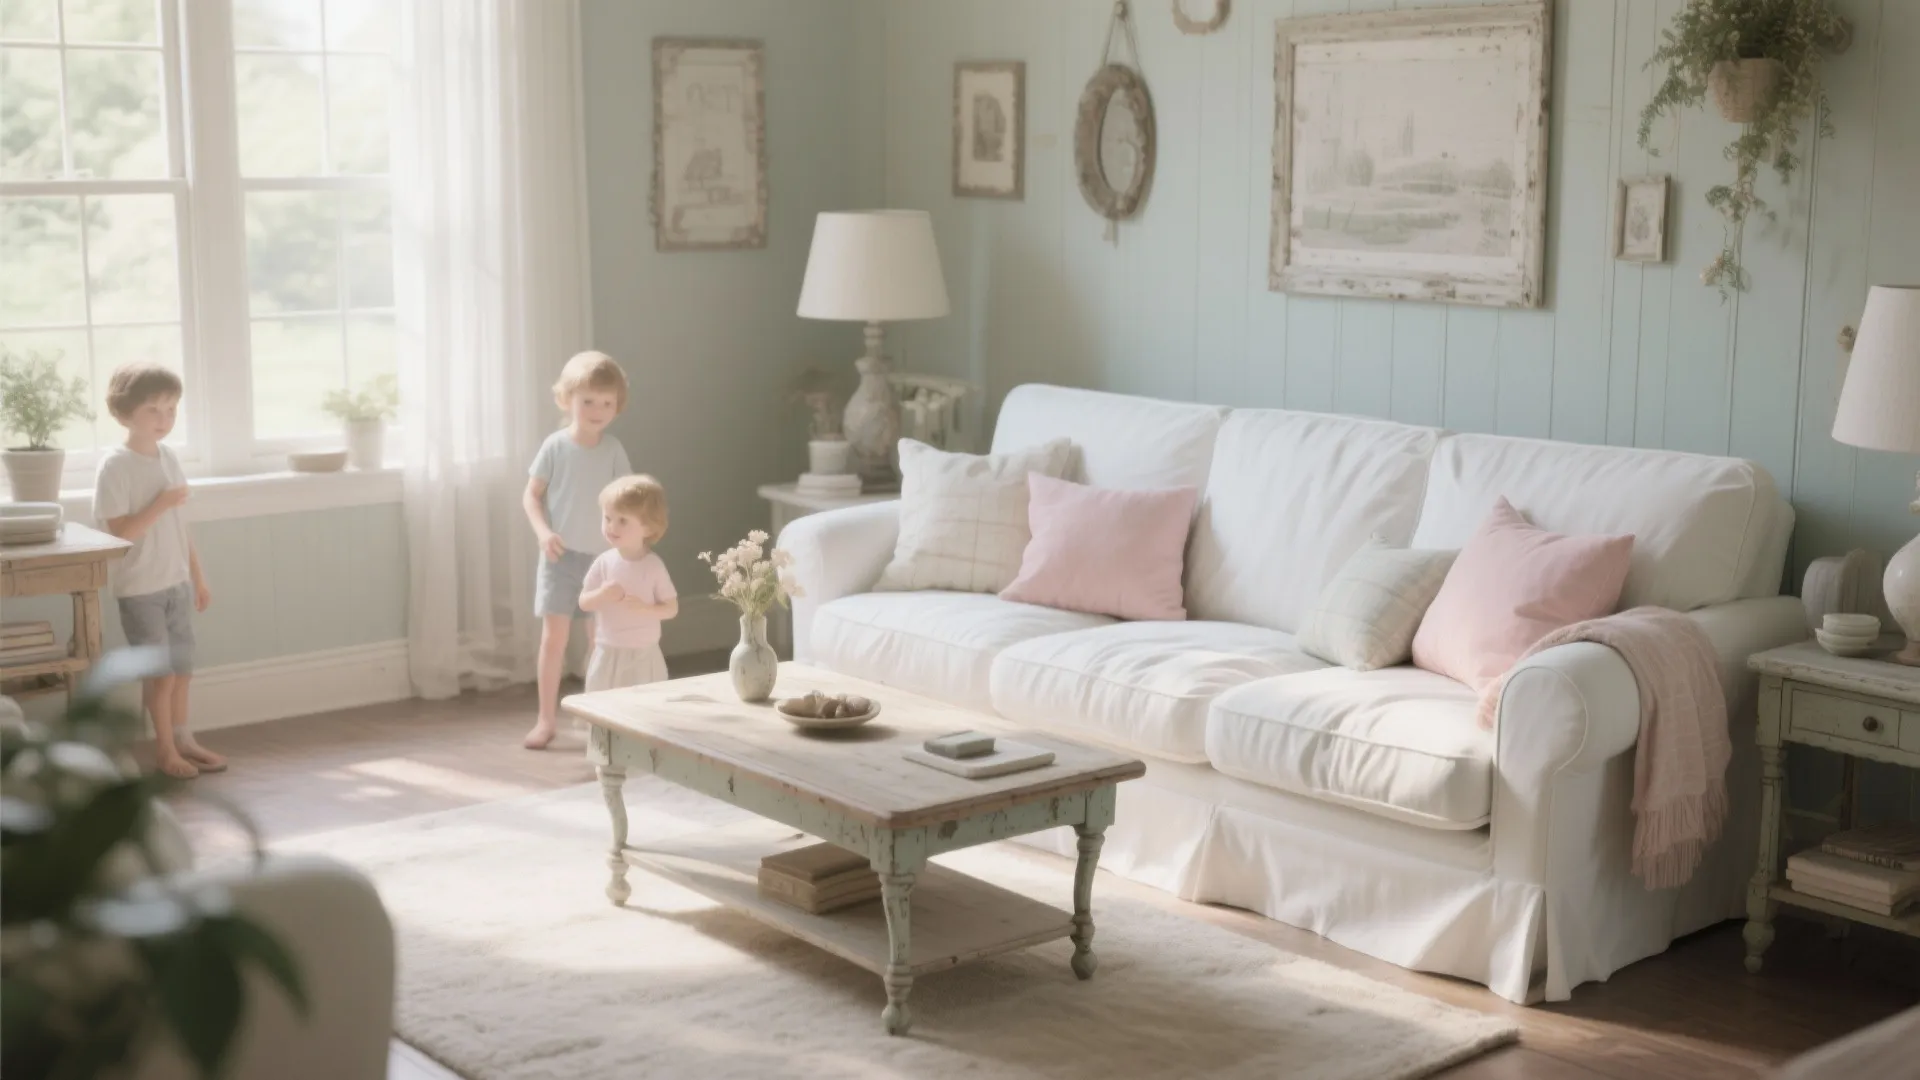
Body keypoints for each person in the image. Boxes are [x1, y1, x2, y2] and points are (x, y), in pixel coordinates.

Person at [93, 364, 221, 779]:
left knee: (182, 670)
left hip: (177, 584)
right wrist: (162, 502)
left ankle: (184, 739)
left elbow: (179, 527)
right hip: (141, 590)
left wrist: (198, 578)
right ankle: (164, 751)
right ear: (124, 413)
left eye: (171, 409)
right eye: (154, 410)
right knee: (160, 675)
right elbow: (121, 534)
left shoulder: (169, 457)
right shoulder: (115, 467)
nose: (165, 420)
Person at [523, 351, 631, 749]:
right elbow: (532, 497)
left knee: (600, 641)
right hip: (559, 559)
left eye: (607, 403)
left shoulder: (614, 450)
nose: (598, 410)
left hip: (601, 564)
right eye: (588, 401)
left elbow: (626, 501)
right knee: (554, 640)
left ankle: (595, 717)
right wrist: (543, 533)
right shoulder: (555, 447)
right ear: (566, 399)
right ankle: (545, 719)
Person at [578, 475, 677, 693]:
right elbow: (584, 602)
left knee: (645, 703)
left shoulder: (653, 566)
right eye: (607, 518)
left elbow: (671, 608)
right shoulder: (604, 562)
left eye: (623, 520)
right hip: (607, 649)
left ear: (649, 528)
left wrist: (646, 609)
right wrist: (602, 595)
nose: (612, 526)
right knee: (603, 702)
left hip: (644, 653)